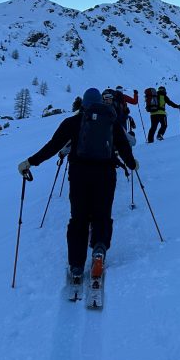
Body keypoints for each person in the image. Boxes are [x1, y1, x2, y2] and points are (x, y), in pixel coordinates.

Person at [17, 87, 137, 281]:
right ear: (99, 103)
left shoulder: (72, 122)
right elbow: (123, 145)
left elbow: (53, 146)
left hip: (79, 175)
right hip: (106, 175)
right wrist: (131, 164)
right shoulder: (111, 121)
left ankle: (76, 265)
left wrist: (30, 162)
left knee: (78, 219)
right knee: (102, 215)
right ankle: (99, 249)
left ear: (83, 104)